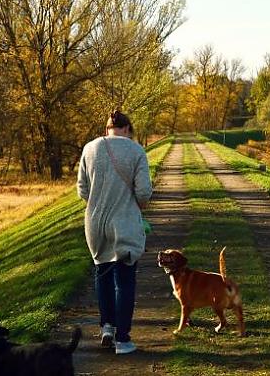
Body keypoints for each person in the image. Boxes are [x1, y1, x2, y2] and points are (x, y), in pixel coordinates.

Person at [76, 110, 152, 355]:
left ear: (106, 128)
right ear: (128, 128)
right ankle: (123, 340)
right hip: (124, 223)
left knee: (103, 274)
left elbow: (82, 191)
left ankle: (106, 327)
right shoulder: (136, 151)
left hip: (95, 223)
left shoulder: (89, 148)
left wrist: (100, 200)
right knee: (125, 280)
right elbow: (143, 193)